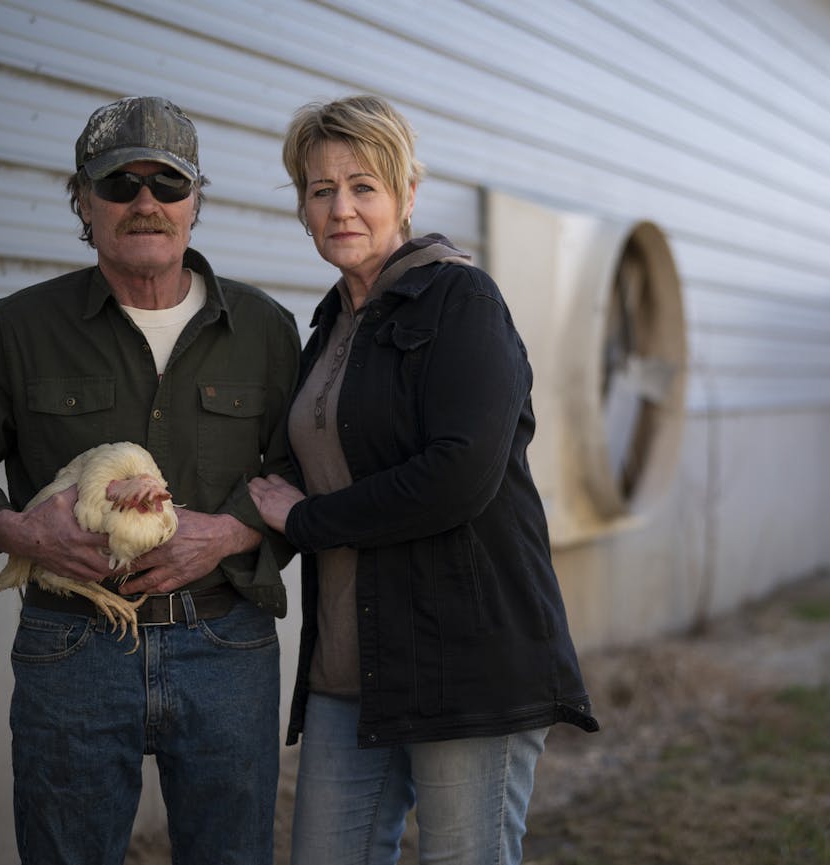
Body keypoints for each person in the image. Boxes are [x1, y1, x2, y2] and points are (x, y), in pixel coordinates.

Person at [0, 96, 300, 863]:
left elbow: (299, 472)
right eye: (119, 183)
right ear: (83, 201)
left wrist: (229, 532)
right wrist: (21, 530)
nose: (145, 202)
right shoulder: (22, 327)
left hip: (226, 642)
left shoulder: (265, 330)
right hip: (71, 646)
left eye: (167, 183)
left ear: (196, 201)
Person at [248, 94, 599, 865]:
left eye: (364, 185)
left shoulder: (462, 301)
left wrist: (306, 521)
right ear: (303, 209)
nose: (341, 207)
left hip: (465, 664)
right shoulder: (330, 326)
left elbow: (457, 476)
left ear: (408, 195)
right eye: (320, 189)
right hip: (351, 666)